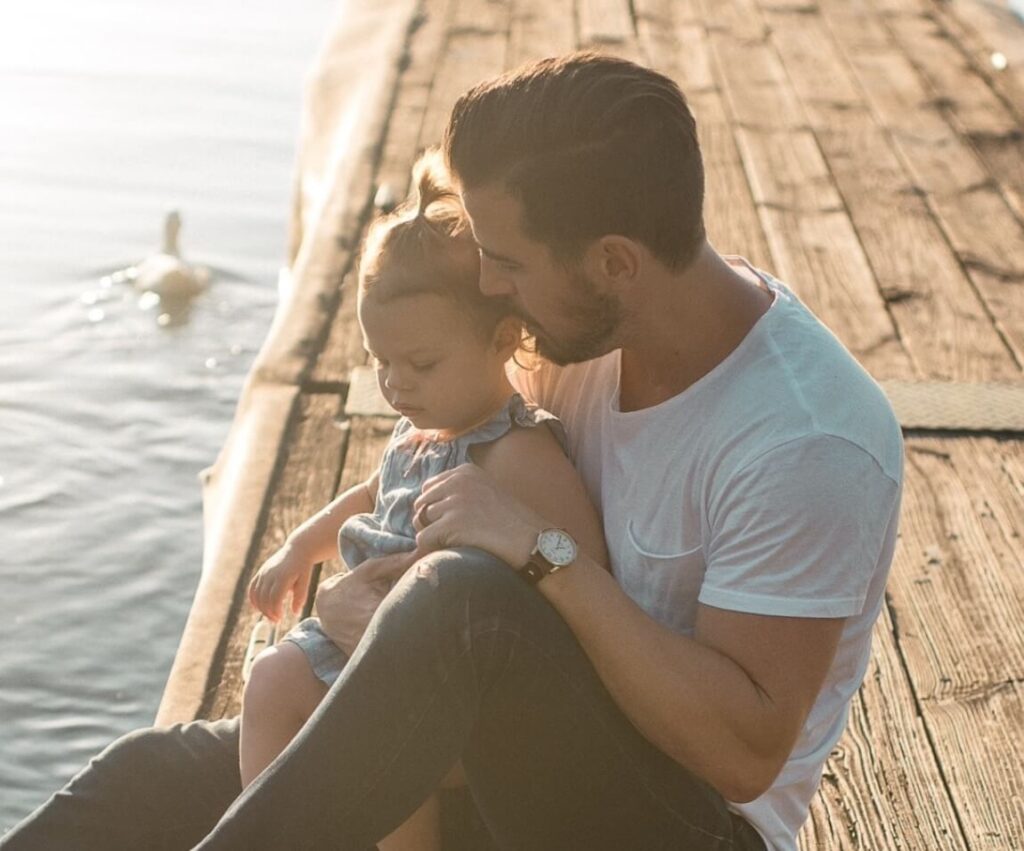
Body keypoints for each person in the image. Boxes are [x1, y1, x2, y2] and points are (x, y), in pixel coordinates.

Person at [0, 52, 903, 851]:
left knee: (460, 599)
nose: (486, 285)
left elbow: (740, 754)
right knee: (150, 780)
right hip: (490, 749)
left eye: (506, 262)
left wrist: (536, 557)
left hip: (678, 822)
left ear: (615, 263)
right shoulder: (579, 337)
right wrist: (383, 616)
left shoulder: (805, 440)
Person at [238, 149, 608, 850]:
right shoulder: (420, 434)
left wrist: (527, 556)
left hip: (447, 672)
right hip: (368, 638)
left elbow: (585, 566)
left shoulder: (517, 451)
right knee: (269, 679)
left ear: (504, 339)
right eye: (380, 362)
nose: (395, 385)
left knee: (379, 739)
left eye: (421, 363)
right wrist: (299, 548)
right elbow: (367, 494)